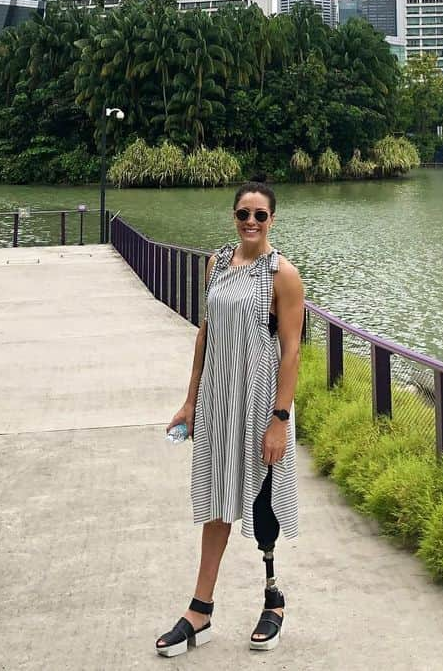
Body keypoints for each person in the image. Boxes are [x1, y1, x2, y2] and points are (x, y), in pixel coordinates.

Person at [156, 181, 305, 656]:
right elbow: (206, 332)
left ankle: (273, 599)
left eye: (260, 215)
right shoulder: (216, 265)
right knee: (217, 496)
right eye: (244, 213)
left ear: (272, 221)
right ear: (233, 216)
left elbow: (292, 349)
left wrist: (280, 418)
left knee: (266, 498)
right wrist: (190, 401)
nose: (251, 222)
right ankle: (200, 610)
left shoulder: (282, 274)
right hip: (220, 398)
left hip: (261, 400)